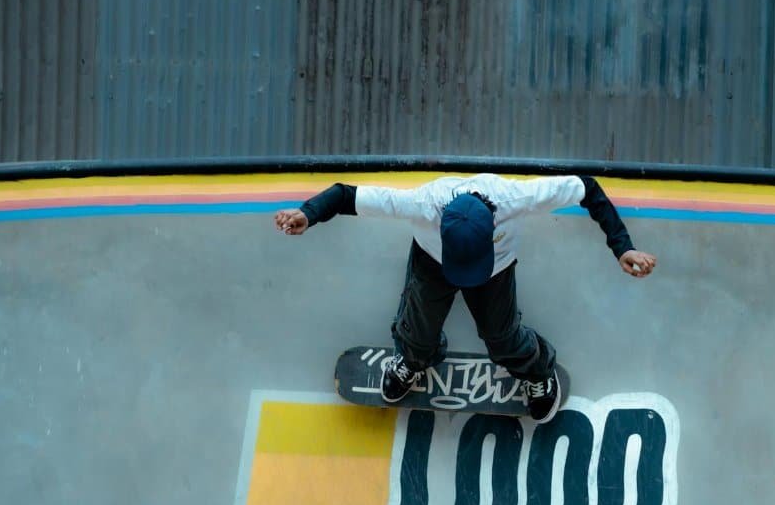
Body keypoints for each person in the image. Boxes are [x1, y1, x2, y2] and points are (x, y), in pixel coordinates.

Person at [273, 173, 656, 422]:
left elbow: (587, 188)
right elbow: (345, 195)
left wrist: (623, 248)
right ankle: (414, 360)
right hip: (432, 264)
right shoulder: (422, 204)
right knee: (417, 332)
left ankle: (539, 373)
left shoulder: (517, 197)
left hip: (496, 270)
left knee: (503, 339)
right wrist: (308, 213)